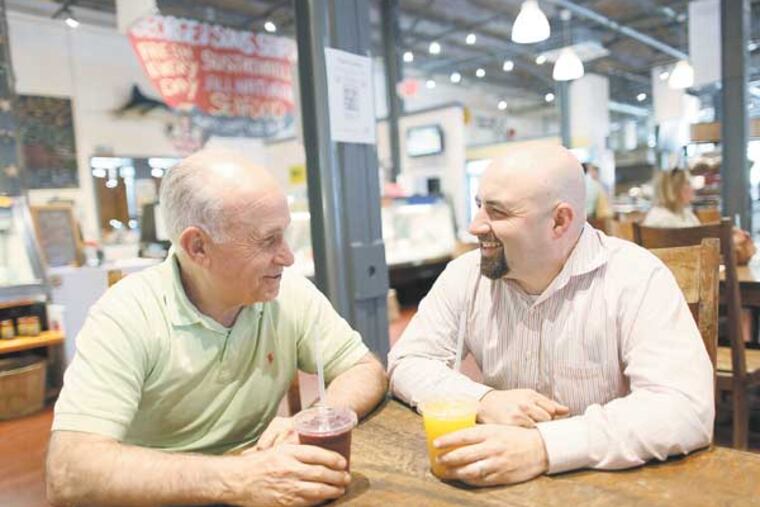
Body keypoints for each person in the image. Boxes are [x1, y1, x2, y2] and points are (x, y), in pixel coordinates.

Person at [46, 149, 388, 507]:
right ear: (198, 247)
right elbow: (69, 473)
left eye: (284, 236)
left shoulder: (288, 292)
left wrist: (312, 417)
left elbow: (363, 369)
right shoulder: (127, 314)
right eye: (268, 240)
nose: (288, 256)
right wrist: (239, 479)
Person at [388, 144, 713, 486]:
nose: (474, 226)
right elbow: (407, 361)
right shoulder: (465, 274)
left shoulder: (635, 276)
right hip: (494, 476)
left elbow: (685, 407)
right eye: (480, 206)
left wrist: (543, 447)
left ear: (560, 220)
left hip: (608, 483)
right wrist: (482, 400)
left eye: (497, 213)